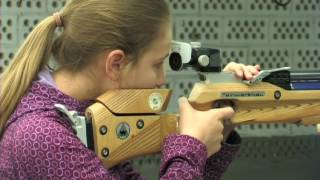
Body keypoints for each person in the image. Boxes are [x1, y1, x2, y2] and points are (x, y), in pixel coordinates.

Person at [0, 0, 260, 179]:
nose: (161, 79)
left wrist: (217, 130)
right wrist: (190, 146)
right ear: (116, 63)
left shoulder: (87, 114)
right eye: (157, 64)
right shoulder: (43, 136)